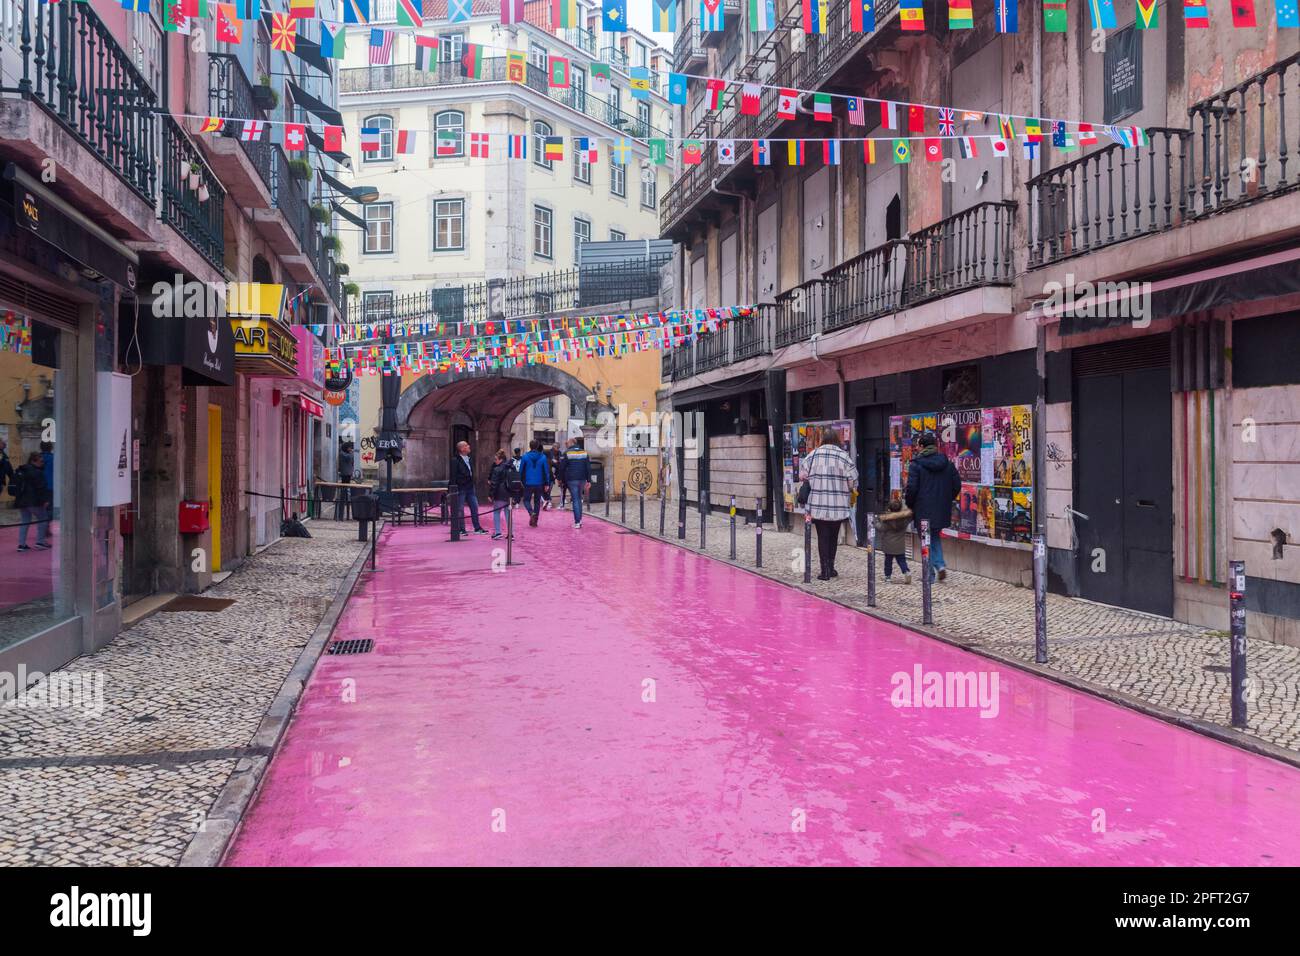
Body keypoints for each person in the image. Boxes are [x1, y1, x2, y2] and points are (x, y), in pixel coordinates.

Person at [799, 431, 858, 580]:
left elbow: (802, 476)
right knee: (833, 536)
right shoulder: (844, 456)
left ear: (823, 440)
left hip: (818, 505)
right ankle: (831, 568)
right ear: (837, 440)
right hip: (838, 506)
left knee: (822, 537)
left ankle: (824, 570)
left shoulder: (812, 455)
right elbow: (853, 481)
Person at [904, 431, 962, 582]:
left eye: (917, 446)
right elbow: (957, 485)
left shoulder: (916, 465)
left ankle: (929, 574)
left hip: (922, 509)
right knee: (934, 536)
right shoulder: (947, 464)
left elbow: (911, 489)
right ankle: (940, 565)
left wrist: (910, 504)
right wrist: (947, 498)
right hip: (940, 509)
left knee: (925, 540)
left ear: (921, 446)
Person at [13, 451, 50, 551]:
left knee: (25, 521)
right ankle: (40, 542)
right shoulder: (37, 472)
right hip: (33, 501)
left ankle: (21, 545)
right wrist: (45, 500)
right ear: (34, 461)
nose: (42, 463)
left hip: (21, 501)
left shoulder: (22, 470)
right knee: (43, 518)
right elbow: (40, 488)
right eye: (41, 461)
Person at [449, 439, 488, 535]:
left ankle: (477, 527)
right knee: (460, 509)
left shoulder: (470, 459)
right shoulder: (455, 460)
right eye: (466, 445)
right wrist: (453, 488)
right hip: (460, 487)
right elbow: (453, 475)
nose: (469, 446)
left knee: (475, 507)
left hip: (470, 487)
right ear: (462, 448)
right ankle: (461, 529)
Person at [877, 497, 914, 585]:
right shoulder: (904, 520)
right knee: (902, 561)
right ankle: (906, 571)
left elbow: (880, 528)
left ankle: (888, 577)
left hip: (888, 546)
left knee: (888, 562)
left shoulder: (886, 520)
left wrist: (875, 522)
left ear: (889, 508)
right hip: (900, 546)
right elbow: (910, 517)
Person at [518, 439, 551, 526]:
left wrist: (520, 480)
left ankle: (531, 512)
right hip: (539, 483)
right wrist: (547, 483)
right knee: (537, 501)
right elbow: (546, 471)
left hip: (528, 482)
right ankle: (535, 521)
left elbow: (521, 470)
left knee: (526, 500)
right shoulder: (543, 457)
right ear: (537, 446)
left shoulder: (525, 456)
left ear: (530, 446)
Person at [560, 437, 591, 528]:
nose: (567, 445)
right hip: (582, 479)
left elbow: (562, 467)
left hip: (572, 479)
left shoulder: (567, 453)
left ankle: (577, 522)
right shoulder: (584, 452)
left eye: (567, 443)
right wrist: (588, 480)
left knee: (575, 499)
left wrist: (560, 479)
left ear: (571, 443)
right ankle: (579, 520)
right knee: (579, 498)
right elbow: (588, 467)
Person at [488, 449, 514, 540]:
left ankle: (498, 532)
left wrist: (490, 494)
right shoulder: (511, 467)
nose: (495, 461)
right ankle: (511, 533)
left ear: (500, 459)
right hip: (510, 493)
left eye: (496, 459)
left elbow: (494, 483)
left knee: (496, 512)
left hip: (500, 493)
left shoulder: (497, 469)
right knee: (508, 513)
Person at [334, 439, 356, 520]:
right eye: (349, 448)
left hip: (348, 473)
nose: (351, 449)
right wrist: (351, 453)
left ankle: (346, 499)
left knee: (346, 488)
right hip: (345, 474)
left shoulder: (345, 454)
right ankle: (343, 500)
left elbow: (351, 462)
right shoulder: (343, 454)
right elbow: (349, 458)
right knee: (344, 487)